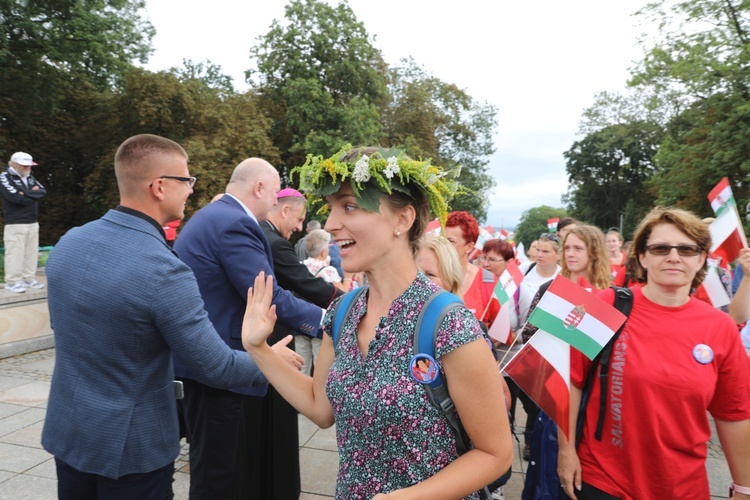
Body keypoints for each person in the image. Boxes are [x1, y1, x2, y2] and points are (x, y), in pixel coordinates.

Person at [242, 145, 513, 498]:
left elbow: (496, 453)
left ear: (402, 220)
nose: (330, 224)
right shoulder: (343, 310)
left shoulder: (450, 323)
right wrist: (257, 348)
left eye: (350, 206)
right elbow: (320, 408)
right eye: (332, 208)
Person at [40, 134, 299, 499]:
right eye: (186, 180)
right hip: (130, 449)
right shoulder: (162, 269)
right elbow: (216, 367)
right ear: (159, 187)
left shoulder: (69, 242)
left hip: (69, 431)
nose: (191, 190)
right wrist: (274, 362)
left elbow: (66, 328)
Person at [557, 207, 750, 499]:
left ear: (700, 259)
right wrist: (566, 450)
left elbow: (734, 414)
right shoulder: (609, 303)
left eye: (686, 249)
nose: (674, 257)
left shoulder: (721, 328)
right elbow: (570, 380)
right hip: (604, 480)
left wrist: (743, 487)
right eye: (661, 248)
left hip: (683, 488)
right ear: (643, 257)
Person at [172, 158, 322, 500]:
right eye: (273, 193)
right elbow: (268, 297)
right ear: (258, 188)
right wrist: (329, 321)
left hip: (207, 361)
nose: (275, 202)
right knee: (220, 476)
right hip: (219, 369)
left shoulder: (216, 216)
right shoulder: (234, 223)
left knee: (221, 468)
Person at [509, 232, 562, 460]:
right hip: (515, 344)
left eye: (546, 251)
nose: (539, 255)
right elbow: (509, 301)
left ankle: (531, 438)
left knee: (535, 397)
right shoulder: (524, 271)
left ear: (558, 255)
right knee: (515, 392)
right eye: (537, 249)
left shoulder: (562, 279)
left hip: (544, 347)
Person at [0, 151, 46, 292]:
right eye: (24, 165)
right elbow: (15, 198)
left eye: (29, 166)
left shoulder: (30, 178)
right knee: (15, 253)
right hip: (15, 222)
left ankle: (28, 279)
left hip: (32, 221)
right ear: (14, 164)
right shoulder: (4, 177)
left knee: (31, 253)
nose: (27, 168)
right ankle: (12, 282)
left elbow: (43, 191)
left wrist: (24, 192)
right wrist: (32, 193)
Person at [445, 211, 500, 326]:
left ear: (469, 247)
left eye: (450, 241)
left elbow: (500, 331)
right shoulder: (427, 275)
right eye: (441, 240)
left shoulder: (487, 281)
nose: (443, 245)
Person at [563, 225, 613, 292]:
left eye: (578, 248)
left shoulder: (608, 293)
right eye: (567, 248)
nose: (570, 254)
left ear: (595, 252)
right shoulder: (552, 288)